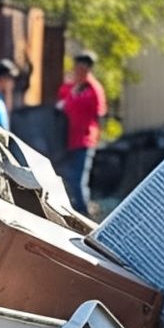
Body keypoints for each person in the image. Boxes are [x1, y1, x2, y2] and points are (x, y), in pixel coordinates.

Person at [56, 51, 107, 215]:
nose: (78, 71)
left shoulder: (93, 89)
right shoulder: (72, 87)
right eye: (77, 67)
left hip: (84, 141)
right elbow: (62, 96)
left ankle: (83, 213)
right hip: (66, 140)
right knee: (65, 177)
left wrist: (98, 136)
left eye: (82, 67)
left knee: (77, 180)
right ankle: (69, 210)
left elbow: (99, 114)